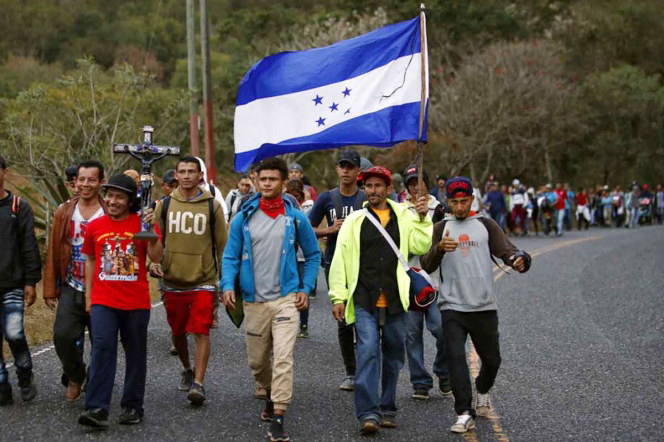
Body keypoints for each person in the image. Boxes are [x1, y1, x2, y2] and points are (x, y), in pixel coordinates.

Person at [420, 176, 531, 434]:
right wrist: (438, 249)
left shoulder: (485, 224)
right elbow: (426, 264)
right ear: (448, 201)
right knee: (456, 359)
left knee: (492, 361)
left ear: (471, 199)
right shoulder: (440, 227)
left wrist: (519, 260)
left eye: (463, 201)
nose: (459, 207)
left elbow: (508, 251)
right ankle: (463, 412)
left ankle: (482, 389)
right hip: (452, 306)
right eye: (454, 202)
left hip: (483, 306)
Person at [221, 157, 320, 442]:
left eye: (272, 179)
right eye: (262, 179)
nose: (266, 184)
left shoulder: (297, 218)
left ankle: (278, 417)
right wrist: (228, 284)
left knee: (284, 357)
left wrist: (306, 287)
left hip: (286, 300)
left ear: (283, 183)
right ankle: (268, 392)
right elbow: (229, 256)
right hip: (254, 301)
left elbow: (313, 256)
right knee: (257, 362)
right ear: (255, 181)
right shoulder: (243, 217)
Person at [328, 166, 432, 435]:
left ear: (388, 189)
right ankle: (368, 413)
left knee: (394, 356)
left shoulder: (404, 216)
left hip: (397, 299)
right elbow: (339, 259)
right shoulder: (355, 221)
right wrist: (338, 296)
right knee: (368, 351)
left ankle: (387, 408)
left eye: (378, 186)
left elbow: (420, 247)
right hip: (364, 298)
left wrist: (422, 218)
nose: (373, 191)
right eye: (369, 186)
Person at [78, 174, 162, 428]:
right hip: (104, 299)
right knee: (102, 347)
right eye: (110, 196)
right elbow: (91, 260)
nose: (113, 201)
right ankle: (97, 407)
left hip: (135, 302)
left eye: (119, 197)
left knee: (135, 352)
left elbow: (157, 257)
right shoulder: (96, 226)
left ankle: (132, 406)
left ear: (130, 200)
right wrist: (89, 296)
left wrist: (152, 231)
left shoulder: (142, 223)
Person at [151, 156, 228, 406]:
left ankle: (199, 383)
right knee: (177, 332)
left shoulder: (212, 206)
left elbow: (222, 245)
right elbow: (155, 243)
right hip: (173, 280)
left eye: (191, 171)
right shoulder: (163, 205)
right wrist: (153, 264)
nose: (186, 176)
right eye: (182, 171)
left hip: (203, 280)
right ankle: (187, 368)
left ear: (199, 175)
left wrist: (224, 280)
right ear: (176, 175)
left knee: (201, 330)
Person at [43, 160, 107, 402]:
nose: (85, 184)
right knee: (63, 335)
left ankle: (96, 380)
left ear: (101, 181)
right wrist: (50, 288)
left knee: (101, 341)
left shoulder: (108, 210)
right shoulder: (65, 211)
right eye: (81, 179)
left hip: (102, 287)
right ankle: (74, 375)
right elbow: (53, 250)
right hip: (72, 284)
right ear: (74, 182)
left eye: (92, 179)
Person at [308, 149, 366, 391]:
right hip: (335, 263)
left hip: (364, 264)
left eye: (350, 166)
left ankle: (367, 368)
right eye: (341, 166)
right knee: (343, 319)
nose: (345, 170)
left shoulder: (366, 198)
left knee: (364, 317)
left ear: (358, 171)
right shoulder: (326, 198)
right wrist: (328, 230)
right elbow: (307, 229)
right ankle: (351, 373)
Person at [401, 165, 451, 400]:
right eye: (410, 183)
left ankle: (443, 370)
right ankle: (420, 382)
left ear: (426, 183)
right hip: (409, 280)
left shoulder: (440, 208)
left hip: (435, 281)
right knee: (412, 335)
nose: (414, 186)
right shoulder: (400, 210)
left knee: (441, 329)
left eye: (417, 181)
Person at [0, 155, 40, 406]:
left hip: (12, 282)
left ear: (4, 172)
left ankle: (25, 374)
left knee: (14, 333)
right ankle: (2, 385)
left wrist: (31, 281)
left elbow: (28, 245)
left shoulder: (18, 206)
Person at [284, 179, 313, 339]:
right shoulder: (285, 201)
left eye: (295, 195)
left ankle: (303, 322)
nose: (291, 197)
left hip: (301, 255)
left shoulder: (305, 205)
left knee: (302, 290)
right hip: (289, 254)